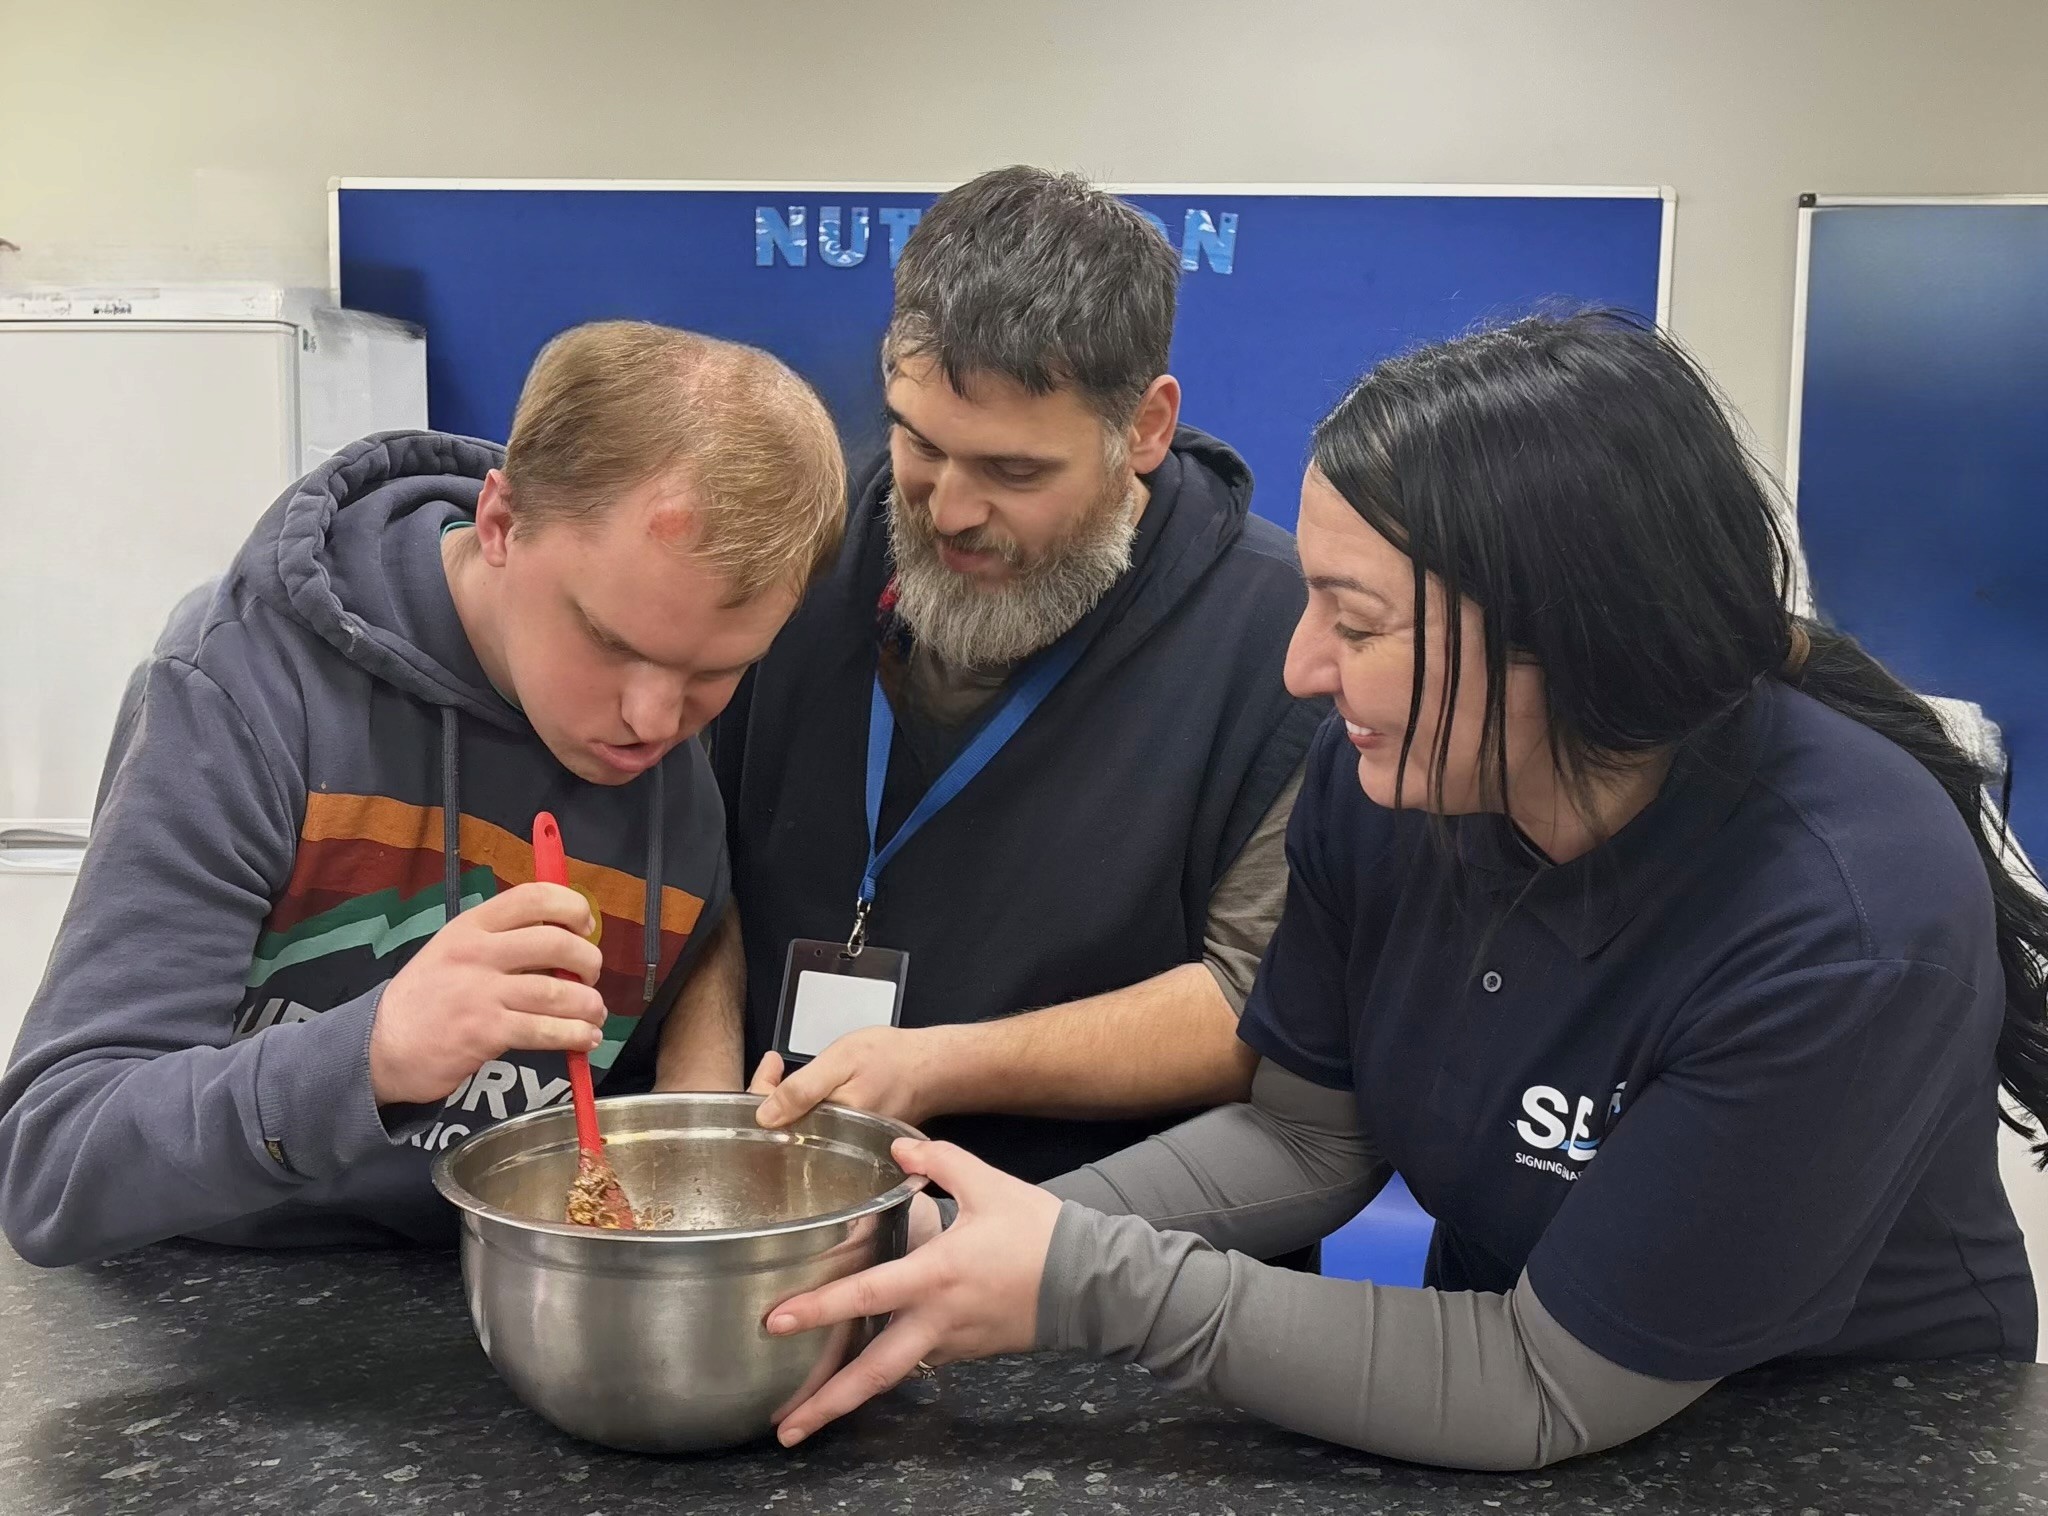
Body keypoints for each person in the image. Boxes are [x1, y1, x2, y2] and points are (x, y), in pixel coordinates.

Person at [757, 311, 2045, 1469]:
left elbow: (1549, 1386)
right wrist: (962, 1235)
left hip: (1833, 1431)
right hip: (1493, 1361)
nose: (1303, 668)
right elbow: (1309, 1136)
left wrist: (1090, 1279)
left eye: (1357, 625)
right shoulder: (1396, 776)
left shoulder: (1841, 921)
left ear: (1573, 643)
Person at [0, 321, 845, 1266]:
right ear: (500, 523)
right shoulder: (245, 694)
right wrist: (373, 1054)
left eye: (713, 673)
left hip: (494, 1312)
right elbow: (54, 1161)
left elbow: (692, 963)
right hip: (202, 1306)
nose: (654, 718)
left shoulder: (670, 768)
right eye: (611, 642)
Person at [716, 166, 1325, 1183]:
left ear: (1144, 428)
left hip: (1095, 1252)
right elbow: (695, 855)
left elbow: (1250, 1006)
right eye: (919, 441)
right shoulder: (804, 537)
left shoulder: (1287, 643)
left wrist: (942, 1066)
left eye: (1012, 472)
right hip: (778, 1202)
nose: (946, 509)